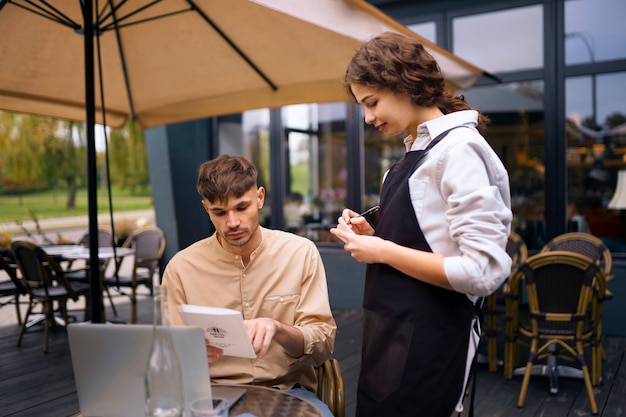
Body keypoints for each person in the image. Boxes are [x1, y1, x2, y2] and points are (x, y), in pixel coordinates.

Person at [330, 32, 513, 417]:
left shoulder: (459, 152)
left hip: (432, 344)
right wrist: (376, 238)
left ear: (403, 83)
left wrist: (384, 250)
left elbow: (482, 272)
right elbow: (427, 243)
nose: (367, 118)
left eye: (372, 102)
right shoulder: (415, 152)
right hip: (389, 337)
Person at [162, 154, 337, 416]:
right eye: (219, 212)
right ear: (205, 208)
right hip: (210, 397)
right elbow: (167, 357)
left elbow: (322, 344)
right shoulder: (181, 269)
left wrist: (278, 329)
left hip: (287, 391)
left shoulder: (299, 253)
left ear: (260, 198)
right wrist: (190, 356)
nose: (232, 223)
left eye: (241, 208)